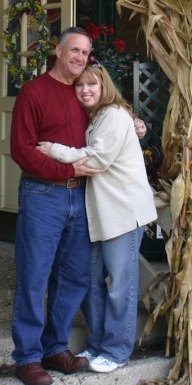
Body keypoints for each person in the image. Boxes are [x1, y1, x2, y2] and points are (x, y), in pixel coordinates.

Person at [10, 27, 147, 385]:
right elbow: (22, 150)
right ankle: (27, 356)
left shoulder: (83, 93)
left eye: (85, 53)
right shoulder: (33, 92)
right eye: (74, 51)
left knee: (74, 277)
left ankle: (55, 347)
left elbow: (108, 119)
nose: (79, 59)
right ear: (58, 51)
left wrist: (134, 122)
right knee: (34, 276)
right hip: (43, 195)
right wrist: (65, 168)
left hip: (83, 196)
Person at [37, 63, 157, 374]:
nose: (86, 90)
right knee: (90, 281)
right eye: (79, 85)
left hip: (124, 212)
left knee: (120, 284)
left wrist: (53, 150)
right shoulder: (97, 117)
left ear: (105, 87)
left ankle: (117, 350)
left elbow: (98, 160)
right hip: (101, 215)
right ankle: (100, 341)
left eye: (92, 84)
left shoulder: (115, 115)